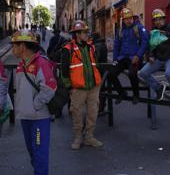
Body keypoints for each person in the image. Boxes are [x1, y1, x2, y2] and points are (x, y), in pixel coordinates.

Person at [10, 30, 56, 175]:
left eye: (14, 46)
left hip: (38, 119)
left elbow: (50, 87)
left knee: (39, 153)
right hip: (26, 117)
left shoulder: (40, 62)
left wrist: (34, 105)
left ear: (22, 46)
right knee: (33, 152)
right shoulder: (22, 64)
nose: (13, 49)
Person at [60, 20, 103, 150]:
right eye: (84, 32)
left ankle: (89, 137)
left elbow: (97, 64)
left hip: (93, 87)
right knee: (77, 114)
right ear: (77, 34)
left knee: (93, 113)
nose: (87, 34)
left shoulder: (91, 47)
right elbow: (64, 71)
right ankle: (78, 137)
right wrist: (69, 87)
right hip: (77, 88)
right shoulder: (68, 49)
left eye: (86, 32)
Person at [138, 9, 170, 103]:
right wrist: (151, 55)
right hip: (159, 58)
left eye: (160, 19)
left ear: (164, 19)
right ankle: (159, 88)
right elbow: (152, 46)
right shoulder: (154, 31)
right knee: (143, 73)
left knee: (169, 74)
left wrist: (165, 33)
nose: (157, 22)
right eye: (155, 20)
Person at [110, 8, 149, 104]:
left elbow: (145, 42)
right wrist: (115, 59)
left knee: (132, 74)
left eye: (130, 18)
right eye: (126, 19)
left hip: (135, 57)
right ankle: (122, 93)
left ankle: (136, 95)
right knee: (111, 74)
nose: (128, 20)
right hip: (122, 58)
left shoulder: (139, 28)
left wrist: (138, 55)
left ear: (133, 18)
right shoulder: (121, 31)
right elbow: (116, 45)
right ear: (123, 20)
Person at [91, 32, 108, 112]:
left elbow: (96, 58)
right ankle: (101, 105)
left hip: (98, 69)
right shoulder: (102, 44)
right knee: (101, 88)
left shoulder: (97, 46)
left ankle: (100, 106)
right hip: (102, 69)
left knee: (98, 88)